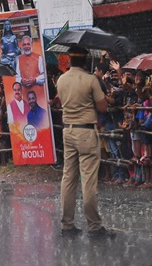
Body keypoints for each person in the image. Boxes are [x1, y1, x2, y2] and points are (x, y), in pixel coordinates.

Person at [56, 46, 113, 237]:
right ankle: (94, 226)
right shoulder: (91, 80)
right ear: (85, 60)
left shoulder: (61, 80)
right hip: (87, 132)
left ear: (70, 60)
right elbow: (102, 107)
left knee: (68, 178)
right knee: (88, 180)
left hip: (68, 132)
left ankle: (67, 224)